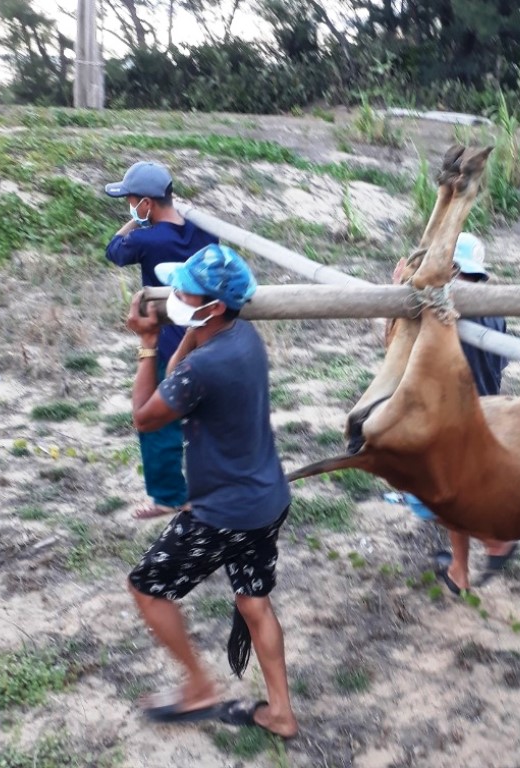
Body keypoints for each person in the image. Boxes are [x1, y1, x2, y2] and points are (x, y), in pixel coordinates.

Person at [124, 244, 297, 740]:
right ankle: (280, 713)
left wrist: (148, 344)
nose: (174, 295)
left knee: (147, 587)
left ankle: (198, 687)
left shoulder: (203, 369)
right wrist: (184, 338)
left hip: (222, 513)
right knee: (254, 603)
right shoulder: (243, 337)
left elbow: (145, 416)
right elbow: (188, 367)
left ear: (213, 306)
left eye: (184, 291)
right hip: (267, 500)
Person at [397, 233, 518, 592]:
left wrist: (397, 292)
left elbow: (399, 350)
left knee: (435, 496)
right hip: (485, 412)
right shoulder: (494, 309)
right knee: (456, 493)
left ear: (450, 272)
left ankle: (495, 541)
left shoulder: (442, 312)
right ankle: (459, 572)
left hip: (451, 420)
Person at [104, 161, 218, 520]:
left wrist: (136, 222)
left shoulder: (146, 238)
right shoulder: (203, 230)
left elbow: (114, 250)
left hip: (166, 336)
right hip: (208, 333)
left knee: (156, 417)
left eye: (132, 201)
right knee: (206, 414)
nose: (130, 207)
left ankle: (169, 495)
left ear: (147, 204)